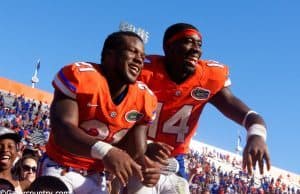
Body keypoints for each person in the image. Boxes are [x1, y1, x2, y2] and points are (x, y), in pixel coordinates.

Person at [136, 23, 271, 193]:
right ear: (168, 47)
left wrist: (256, 136)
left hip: (175, 158)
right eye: (188, 42)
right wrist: (140, 148)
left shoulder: (208, 78)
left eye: (199, 45)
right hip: (138, 150)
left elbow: (249, 116)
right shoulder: (143, 71)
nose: (195, 50)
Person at [39, 31, 157, 193]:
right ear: (109, 55)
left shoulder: (144, 98)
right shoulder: (80, 76)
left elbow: (134, 149)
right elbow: (62, 130)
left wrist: (145, 165)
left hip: (97, 176)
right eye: (132, 51)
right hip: (59, 168)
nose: (139, 59)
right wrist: (105, 150)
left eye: (143, 57)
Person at [0, 126, 23, 192]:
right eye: (0, 146)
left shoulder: (24, 185)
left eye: (10, 146)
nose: (5, 150)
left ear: (17, 151)